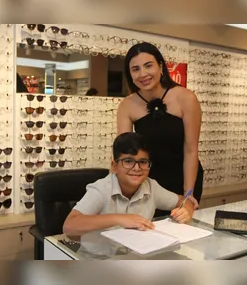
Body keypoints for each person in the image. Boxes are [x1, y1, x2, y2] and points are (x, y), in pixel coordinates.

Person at [116, 42, 204, 217]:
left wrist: (188, 194)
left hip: (183, 177)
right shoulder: (127, 105)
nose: (143, 74)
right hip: (147, 181)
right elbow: (124, 153)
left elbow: (191, 150)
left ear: (161, 66)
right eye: (135, 69)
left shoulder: (186, 98)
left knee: (181, 230)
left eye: (148, 66)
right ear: (130, 74)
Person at [63, 132, 194, 236]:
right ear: (114, 166)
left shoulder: (150, 186)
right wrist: (119, 219)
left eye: (143, 162)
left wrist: (186, 211)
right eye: (128, 161)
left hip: (138, 256)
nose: (137, 168)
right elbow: (69, 226)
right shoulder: (102, 189)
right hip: (100, 259)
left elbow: (185, 201)